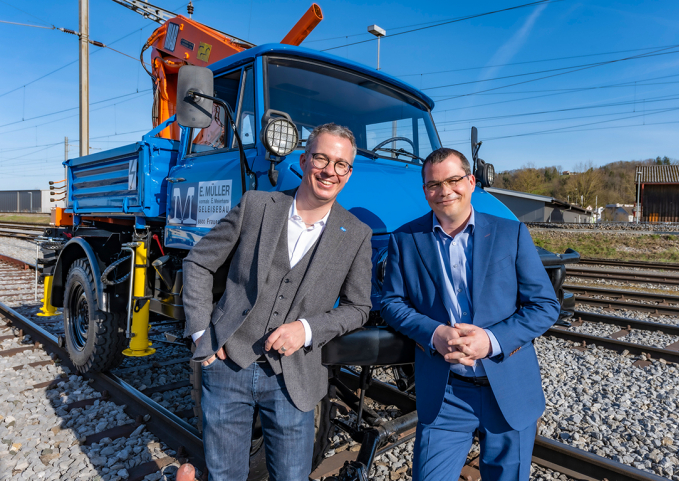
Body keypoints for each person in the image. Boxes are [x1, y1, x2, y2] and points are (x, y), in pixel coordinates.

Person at [181, 123, 372, 481]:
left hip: (295, 377)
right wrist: (201, 336)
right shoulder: (256, 205)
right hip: (227, 365)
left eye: (341, 164)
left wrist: (308, 328)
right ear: (304, 160)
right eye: (321, 158)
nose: (330, 171)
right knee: (224, 476)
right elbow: (198, 262)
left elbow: (359, 307)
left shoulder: (357, 234)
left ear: (349, 172)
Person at [380, 147, 560, 481]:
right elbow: (392, 303)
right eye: (434, 184)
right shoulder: (405, 239)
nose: (444, 191)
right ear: (425, 190)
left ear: (471, 181)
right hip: (446, 391)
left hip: (507, 387)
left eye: (453, 180)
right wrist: (433, 333)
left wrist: (491, 341)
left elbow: (545, 306)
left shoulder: (511, 233)